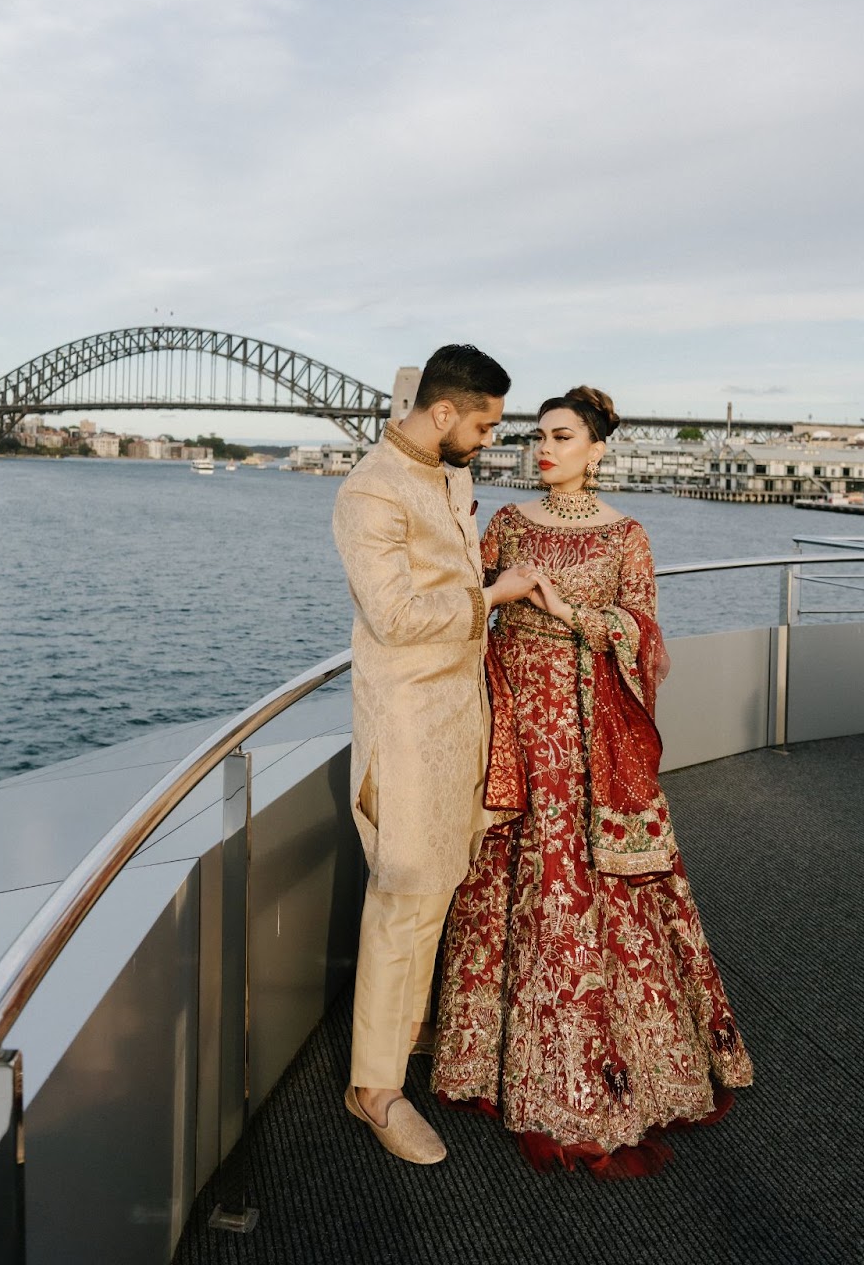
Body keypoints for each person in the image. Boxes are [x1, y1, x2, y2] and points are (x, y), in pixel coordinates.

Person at [432, 385, 753, 1177]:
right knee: (505, 875)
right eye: (538, 436)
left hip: (583, 734)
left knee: (578, 883)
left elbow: (643, 636)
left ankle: (596, 1071)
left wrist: (568, 611)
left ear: (598, 448)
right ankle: (485, 1059)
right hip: (511, 718)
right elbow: (457, 601)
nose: (544, 450)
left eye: (562, 436)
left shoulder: (626, 536)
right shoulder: (504, 524)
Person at [333, 344, 541, 1165]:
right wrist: (493, 594)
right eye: (485, 423)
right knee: (407, 893)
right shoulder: (369, 492)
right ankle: (373, 1090)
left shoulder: (449, 475)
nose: (492, 437)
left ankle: (405, 1030)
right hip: (411, 722)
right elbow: (391, 615)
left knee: (439, 886)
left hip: (462, 713)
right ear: (444, 412)